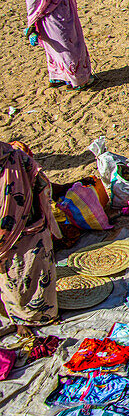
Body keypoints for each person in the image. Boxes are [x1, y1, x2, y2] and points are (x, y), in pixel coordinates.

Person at [0, 142, 59, 341]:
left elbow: (42, 183)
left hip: (29, 226)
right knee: (12, 278)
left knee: (38, 270)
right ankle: (20, 319)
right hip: (5, 237)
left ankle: (45, 314)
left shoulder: (15, 158)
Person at [22, 0, 93, 90]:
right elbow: (34, 2)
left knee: (69, 42)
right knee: (62, 47)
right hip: (49, 19)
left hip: (64, 13)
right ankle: (76, 80)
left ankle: (63, 76)